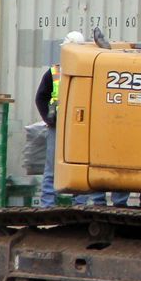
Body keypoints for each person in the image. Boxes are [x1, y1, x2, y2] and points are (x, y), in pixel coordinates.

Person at [33, 31, 91, 207]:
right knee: (53, 168)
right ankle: (48, 205)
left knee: (78, 167)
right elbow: (41, 98)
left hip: (79, 128)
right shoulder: (54, 73)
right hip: (58, 128)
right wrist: (50, 121)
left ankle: (77, 204)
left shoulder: (87, 71)